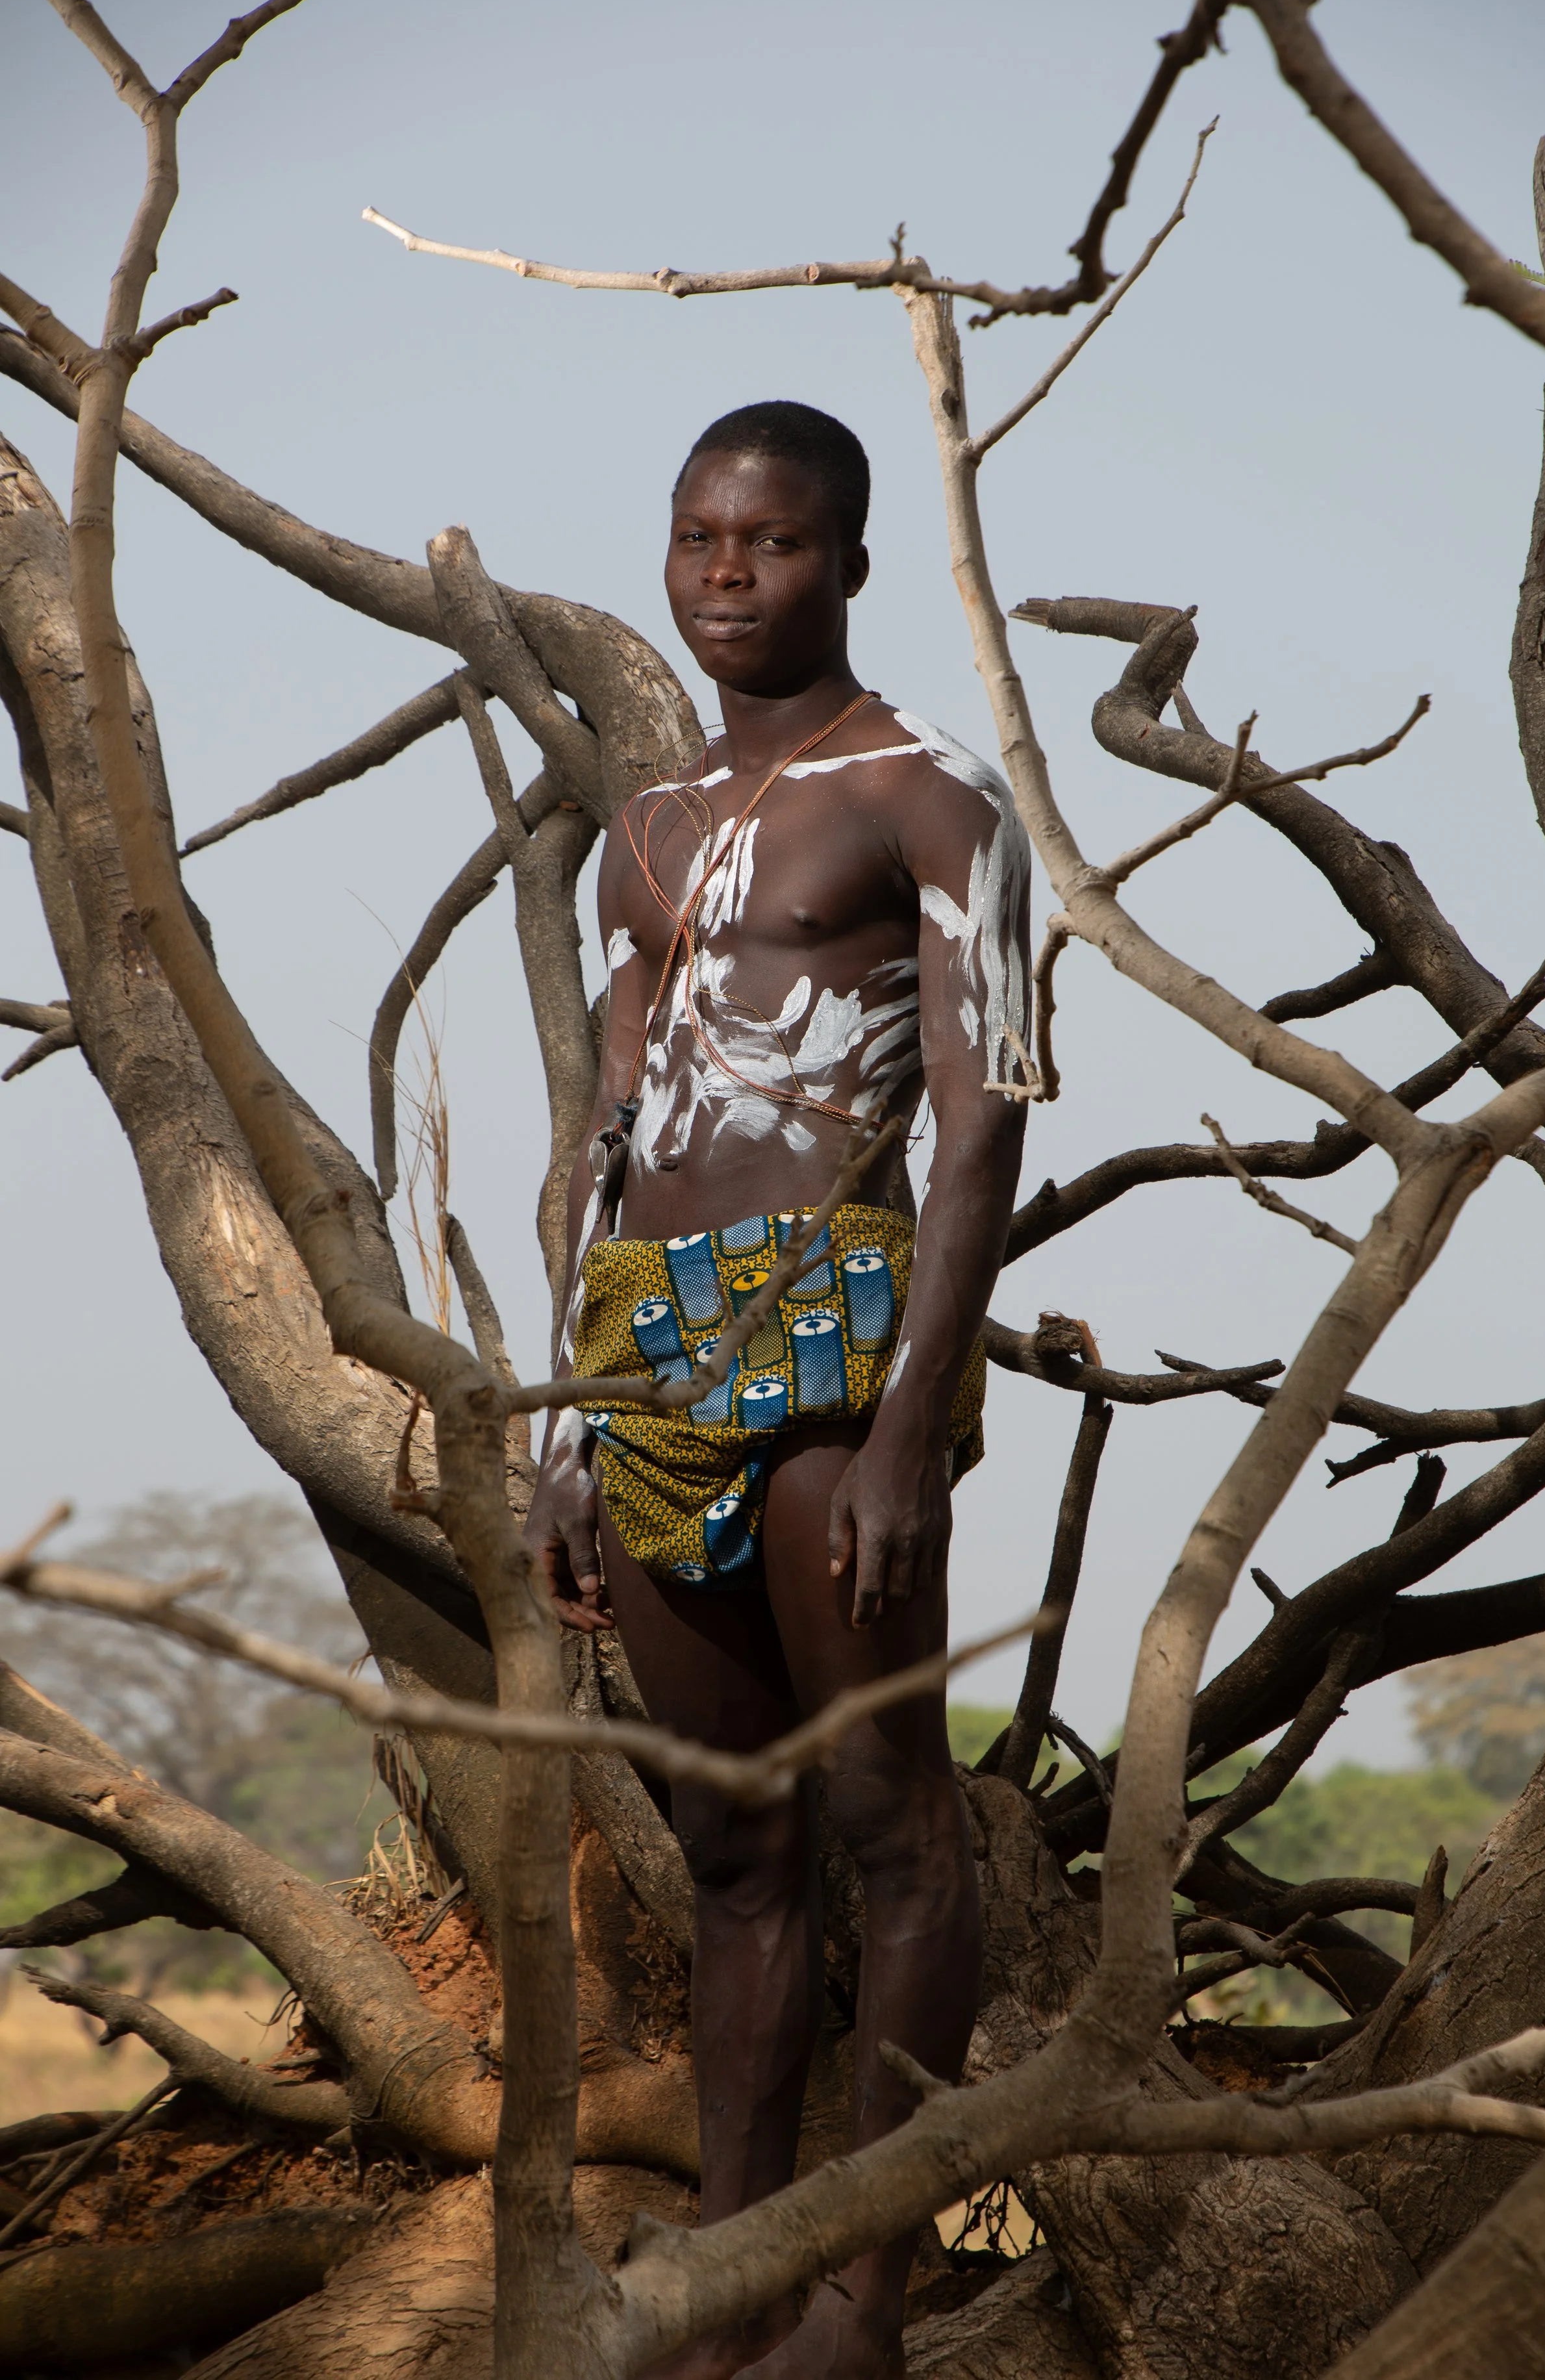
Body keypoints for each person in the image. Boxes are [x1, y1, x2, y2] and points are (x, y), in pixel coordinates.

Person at [525, 400, 1031, 2379]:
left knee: (889, 1821)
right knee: (736, 1844)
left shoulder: (927, 796)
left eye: (776, 543)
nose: (730, 576)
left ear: (851, 562)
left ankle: (871, 2291)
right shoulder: (641, 834)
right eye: (701, 541)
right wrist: (575, 1416)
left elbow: (987, 1126)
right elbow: (612, 1125)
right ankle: (732, 2281)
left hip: (835, 1331)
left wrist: (915, 1413)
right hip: (649, 1336)